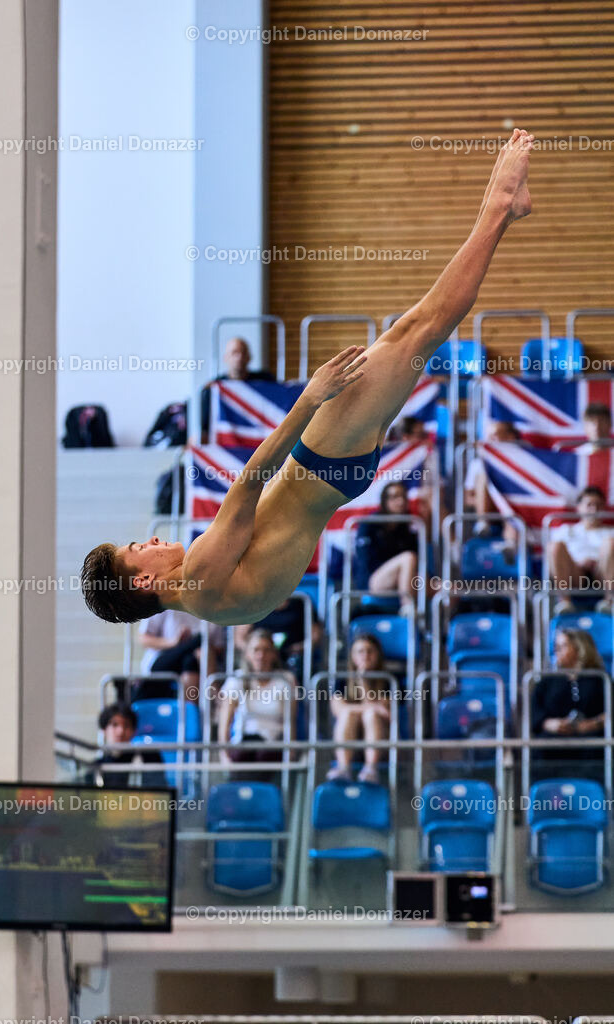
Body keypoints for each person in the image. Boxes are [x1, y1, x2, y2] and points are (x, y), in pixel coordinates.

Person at [82, 129, 536, 628]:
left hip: (331, 478)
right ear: (143, 581)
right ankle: (500, 208)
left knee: (413, 333)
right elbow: (252, 479)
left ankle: (502, 207)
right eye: (136, 550)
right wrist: (311, 398)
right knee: (419, 331)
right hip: (321, 463)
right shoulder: (199, 578)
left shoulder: (209, 604)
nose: (148, 541)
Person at [531, 628, 607, 771]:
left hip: (591, 739)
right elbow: (534, 712)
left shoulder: (601, 679)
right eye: (556, 646)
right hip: (554, 739)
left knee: (598, 747)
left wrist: (593, 724)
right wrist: (550, 723)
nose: (557, 650)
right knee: (542, 747)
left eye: (564, 645)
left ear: (580, 648)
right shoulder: (547, 680)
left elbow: (609, 712)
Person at [217, 629, 295, 767]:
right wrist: (224, 754)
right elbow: (225, 721)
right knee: (240, 755)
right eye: (256, 650)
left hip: (272, 742)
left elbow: (290, 722)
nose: (261, 655)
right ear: (247, 654)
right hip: (243, 741)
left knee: (264, 755)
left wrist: (291, 751)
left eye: (266, 650)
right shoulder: (237, 679)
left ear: (274, 654)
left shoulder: (285, 680)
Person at [328, 633, 391, 784]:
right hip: (350, 735)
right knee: (349, 715)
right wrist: (374, 708)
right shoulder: (341, 680)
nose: (365, 655)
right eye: (360, 651)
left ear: (377, 655)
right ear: (352, 656)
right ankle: (343, 767)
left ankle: (371, 768)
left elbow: (386, 714)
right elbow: (339, 710)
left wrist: (363, 682)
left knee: (370, 716)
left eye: (370, 651)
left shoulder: (389, 680)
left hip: (381, 739)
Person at [353, 481, 419, 614]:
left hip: (404, 580)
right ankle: (408, 610)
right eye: (395, 497)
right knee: (408, 558)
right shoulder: (369, 524)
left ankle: (442, 629)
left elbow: (418, 564)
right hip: (373, 582)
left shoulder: (409, 528)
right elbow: (365, 561)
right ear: (385, 501)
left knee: (444, 587)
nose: (400, 501)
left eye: (403, 497)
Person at [548, 486, 614, 615]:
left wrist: (596, 562)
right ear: (579, 507)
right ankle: (564, 601)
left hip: (602, 575)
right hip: (573, 574)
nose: (594, 509)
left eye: (598, 505)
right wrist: (579, 564)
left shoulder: (611, 531)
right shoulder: (565, 530)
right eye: (589, 505)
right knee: (554, 547)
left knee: (610, 543)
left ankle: (610, 601)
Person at [136, 608, 225, 701]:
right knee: (199, 644)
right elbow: (143, 639)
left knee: (193, 658)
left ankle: (191, 711)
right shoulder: (164, 602)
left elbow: (219, 648)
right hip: (163, 660)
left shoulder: (212, 607)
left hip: (195, 662)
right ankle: (213, 691)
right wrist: (173, 643)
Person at [200, 336, 275, 442]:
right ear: (225, 358)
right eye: (234, 353)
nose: (239, 357)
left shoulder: (266, 381)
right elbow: (205, 428)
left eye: (243, 352)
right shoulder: (214, 388)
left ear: (249, 357)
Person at [234, 595, 324, 679]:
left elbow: (316, 636)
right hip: (261, 652)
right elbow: (239, 638)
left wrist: (300, 647)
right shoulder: (255, 604)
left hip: (292, 656)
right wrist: (253, 651)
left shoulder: (300, 602)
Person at [464, 420, 522, 532]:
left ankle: (510, 542)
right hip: (492, 507)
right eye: (488, 436)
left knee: (510, 510)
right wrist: (492, 500)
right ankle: (482, 522)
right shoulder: (477, 463)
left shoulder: (525, 462)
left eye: (494, 436)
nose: (489, 441)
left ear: (511, 437)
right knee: (484, 473)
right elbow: (468, 499)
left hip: (516, 507)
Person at [90, 702, 162, 788]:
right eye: (114, 725)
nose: (121, 731)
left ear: (134, 731)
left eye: (126, 725)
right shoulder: (96, 766)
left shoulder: (150, 758)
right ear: (104, 730)